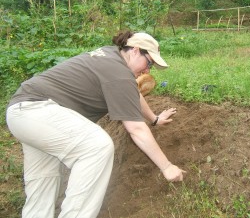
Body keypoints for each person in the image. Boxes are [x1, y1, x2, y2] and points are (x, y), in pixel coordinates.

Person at [6, 31, 186, 218]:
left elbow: (131, 92)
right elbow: (136, 128)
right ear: (135, 50)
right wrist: (167, 167)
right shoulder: (119, 73)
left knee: (44, 182)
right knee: (97, 146)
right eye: (149, 63)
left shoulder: (110, 57)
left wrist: (154, 119)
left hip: (24, 114)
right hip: (39, 110)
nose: (148, 70)